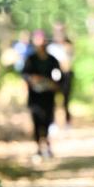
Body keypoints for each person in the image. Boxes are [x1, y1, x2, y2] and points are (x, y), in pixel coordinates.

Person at [22, 29, 62, 161]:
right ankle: (39, 147)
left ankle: (48, 145)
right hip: (35, 97)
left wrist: (53, 85)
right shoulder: (30, 59)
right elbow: (25, 75)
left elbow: (60, 77)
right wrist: (33, 79)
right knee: (36, 121)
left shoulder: (52, 60)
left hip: (48, 96)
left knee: (48, 121)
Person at [47, 22, 75, 125]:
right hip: (53, 75)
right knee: (51, 100)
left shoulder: (68, 45)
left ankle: (67, 122)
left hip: (66, 74)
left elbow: (69, 62)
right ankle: (52, 122)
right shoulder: (50, 46)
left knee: (66, 99)